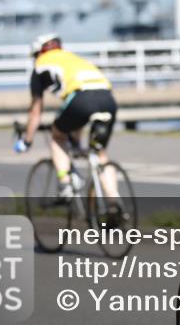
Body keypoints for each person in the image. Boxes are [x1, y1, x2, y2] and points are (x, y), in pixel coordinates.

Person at [14, 34, 119, 203]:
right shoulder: (73, 58)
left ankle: (65, 185)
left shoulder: (40, 66)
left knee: (57, 136)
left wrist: (27, 140)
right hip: (107, 99)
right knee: (100, 153)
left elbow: (36, 111)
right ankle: (114, 200)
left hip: (81, 98)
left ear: (38, 53)